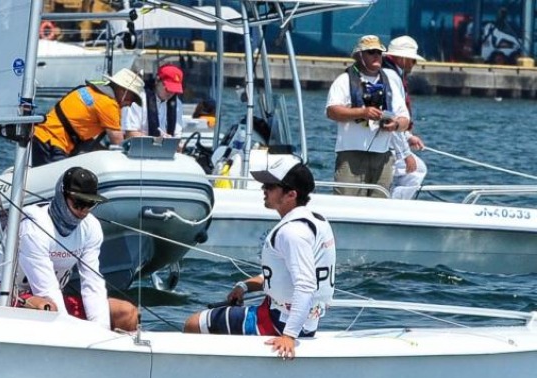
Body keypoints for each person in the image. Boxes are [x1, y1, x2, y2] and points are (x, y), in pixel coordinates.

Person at [183, 156, 336, 360]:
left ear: (291, 194)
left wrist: (289, 336)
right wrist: (244, 287)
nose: (264, 189)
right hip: (301, 319)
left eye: (271, 186)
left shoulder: (291, 233)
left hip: (277, 323)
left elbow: (306, 286)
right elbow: (285, 276)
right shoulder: (316, 221)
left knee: (193, 323)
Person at [0, 166, 139, 332]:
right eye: (78, 203)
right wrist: (68, 335)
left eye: (90, 204)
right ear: (62, 196)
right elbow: (46, 289)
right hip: (15, 299)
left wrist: (101, 332)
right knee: (47, 308)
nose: (83, 211)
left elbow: (92, 284)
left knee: (127, 312)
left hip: (55, 298)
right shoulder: (33, 228)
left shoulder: (91, 227)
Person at [326, 35, 410, 198]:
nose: (376, 56)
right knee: (346, 204)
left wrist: (395, 125)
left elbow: (405, 120)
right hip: (350, 156)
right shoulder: (344, 80)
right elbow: (332, 111)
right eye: (371, 52)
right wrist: (363, 112)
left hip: (383, 156)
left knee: (380, 207)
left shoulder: (391, 82)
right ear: (359, 56)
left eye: (379, 52)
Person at [31, 68, 145, 166]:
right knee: (59, 186)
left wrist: (102, 151)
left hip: (43, 137)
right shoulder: (108, 104)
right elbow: (118, 142)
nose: (130, 104)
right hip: (52, 143)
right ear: (123, 90)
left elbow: (83, 133)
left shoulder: (92, 91)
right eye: (132, 98)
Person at [383, 35, 428, 199]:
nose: (413, 65)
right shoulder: (392, 77)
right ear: (402, 58)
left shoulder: (387, 73)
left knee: (415, 170)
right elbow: (392, 117)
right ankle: (395, 207)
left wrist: (408, 136)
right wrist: (405, 154)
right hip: (387, 143)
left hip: (388, 139)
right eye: (412, 60)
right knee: (417, 170)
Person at [122, 64, 185, 139]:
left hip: (167, 148)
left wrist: (176, 143)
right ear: (157, 81)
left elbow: (177, 136)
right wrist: (157, 140)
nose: (171, 93)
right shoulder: (138, 99)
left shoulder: (177, 104)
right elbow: (130, 134)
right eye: (168, 88)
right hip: (141, 149)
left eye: (175, 90)